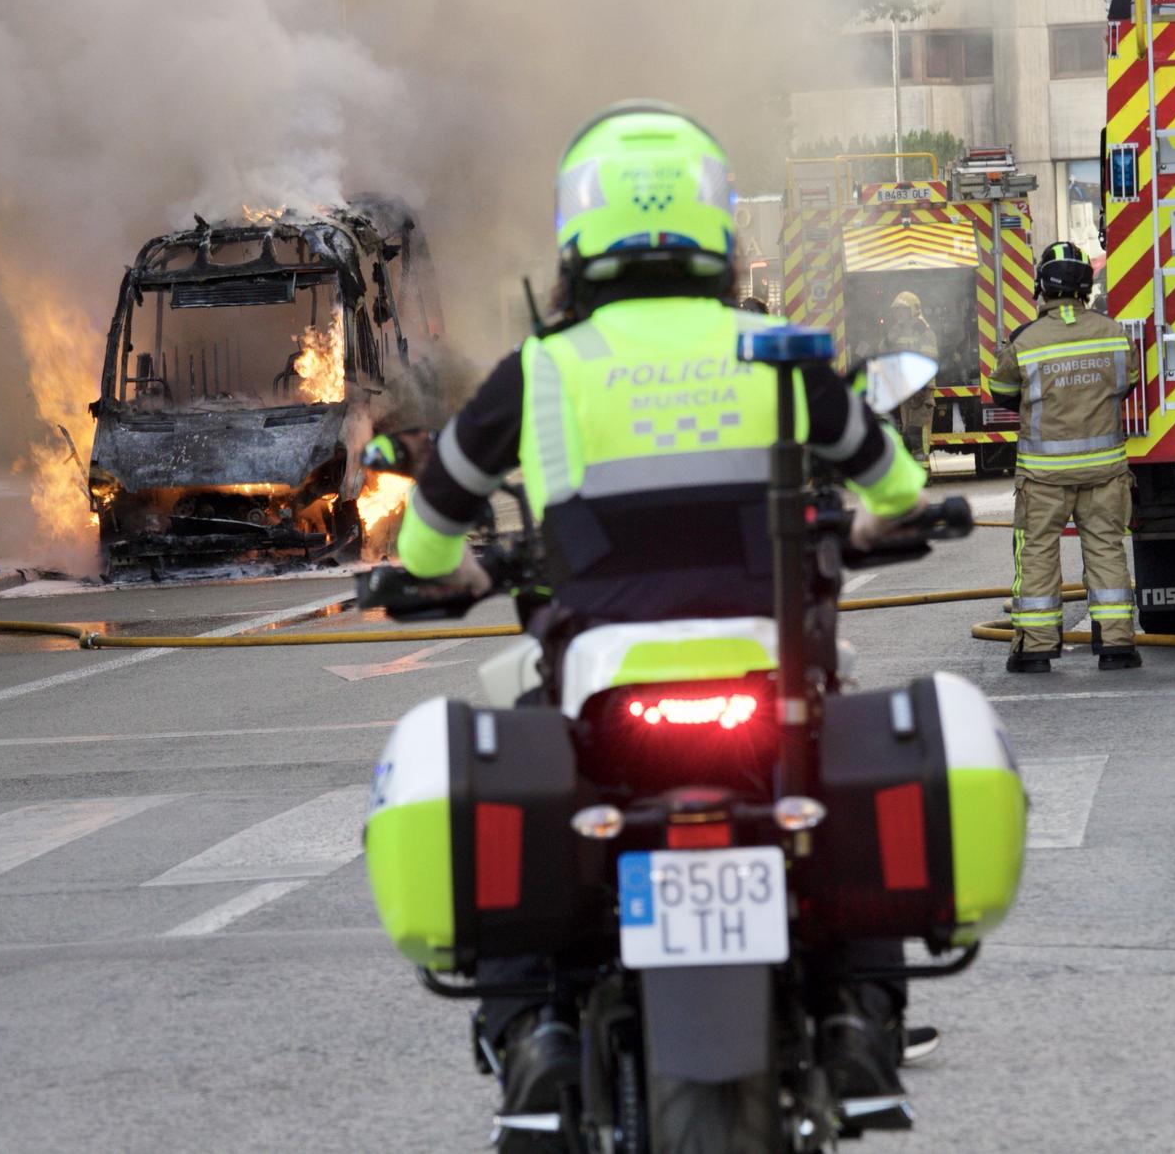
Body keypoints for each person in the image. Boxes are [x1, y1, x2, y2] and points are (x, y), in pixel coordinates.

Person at [392, 102, 927, 1146]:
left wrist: (452, 575)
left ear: (574, 238)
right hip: (767, 677)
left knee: (526, 792)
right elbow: (897, 490)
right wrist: (860, 528)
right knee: (835, 780)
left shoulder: (541, 370)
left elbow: (423, 536)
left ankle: (535, 1031)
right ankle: (861, 1016)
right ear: (716, 229)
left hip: (603, 689)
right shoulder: (778, 352)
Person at [984, 240, 1139, 673]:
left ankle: (1035, 649)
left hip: (1043, 478)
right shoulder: (1113, 334)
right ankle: (1117, 646)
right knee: (1107, 550)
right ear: (1086, 287)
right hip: (1104, 472)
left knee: (1036, 553)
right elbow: (1128, 383)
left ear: (1041, 288)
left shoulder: (1025, 342)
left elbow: (1003, 392)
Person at [884, 291, 938, 459]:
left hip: (921, 392)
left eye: (903, 310)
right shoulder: (896, 332)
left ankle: (923, 471)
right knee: (907, 434)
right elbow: (884, 353)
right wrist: (888, 339)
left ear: (913, 310)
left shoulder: (924, 332)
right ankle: (917, 470)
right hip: (905, 389)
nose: (898, 315)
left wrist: (921, 387)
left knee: (917, 434)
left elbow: (928, 359)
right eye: (897, 311)